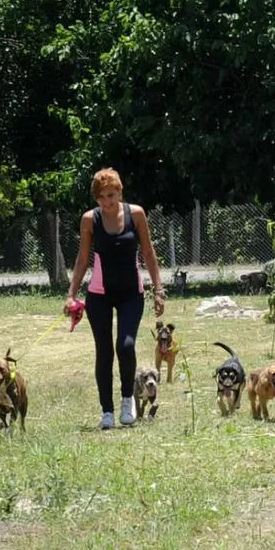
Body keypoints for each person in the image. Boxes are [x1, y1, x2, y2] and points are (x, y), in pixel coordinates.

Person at [64, 168, 166, 429]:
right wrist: (71, 294)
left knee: (126, 345)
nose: (106, 202)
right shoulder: (90, 220)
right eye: (101, 197)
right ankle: (107, 411)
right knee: (105, 351)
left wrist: (158, 289)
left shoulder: (136, 214)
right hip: (99, 295)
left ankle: (127, 400)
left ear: (120, 192)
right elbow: (82, 258)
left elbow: (148, 252)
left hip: (132, 293)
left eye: (111, 195)